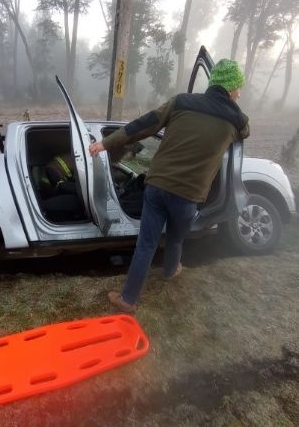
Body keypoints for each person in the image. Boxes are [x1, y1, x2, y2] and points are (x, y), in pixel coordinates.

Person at [89, 59, 250, 312]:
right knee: (175, 238)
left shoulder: (181, 101)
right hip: (189, 196)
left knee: (146, 244)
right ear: (230, 88)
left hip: (157, 186)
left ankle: (128, 299)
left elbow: (142, 125)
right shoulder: (237, 120)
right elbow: (245, 132)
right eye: (239, 88)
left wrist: (106, 143)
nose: (240, 93)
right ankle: (171, 270)